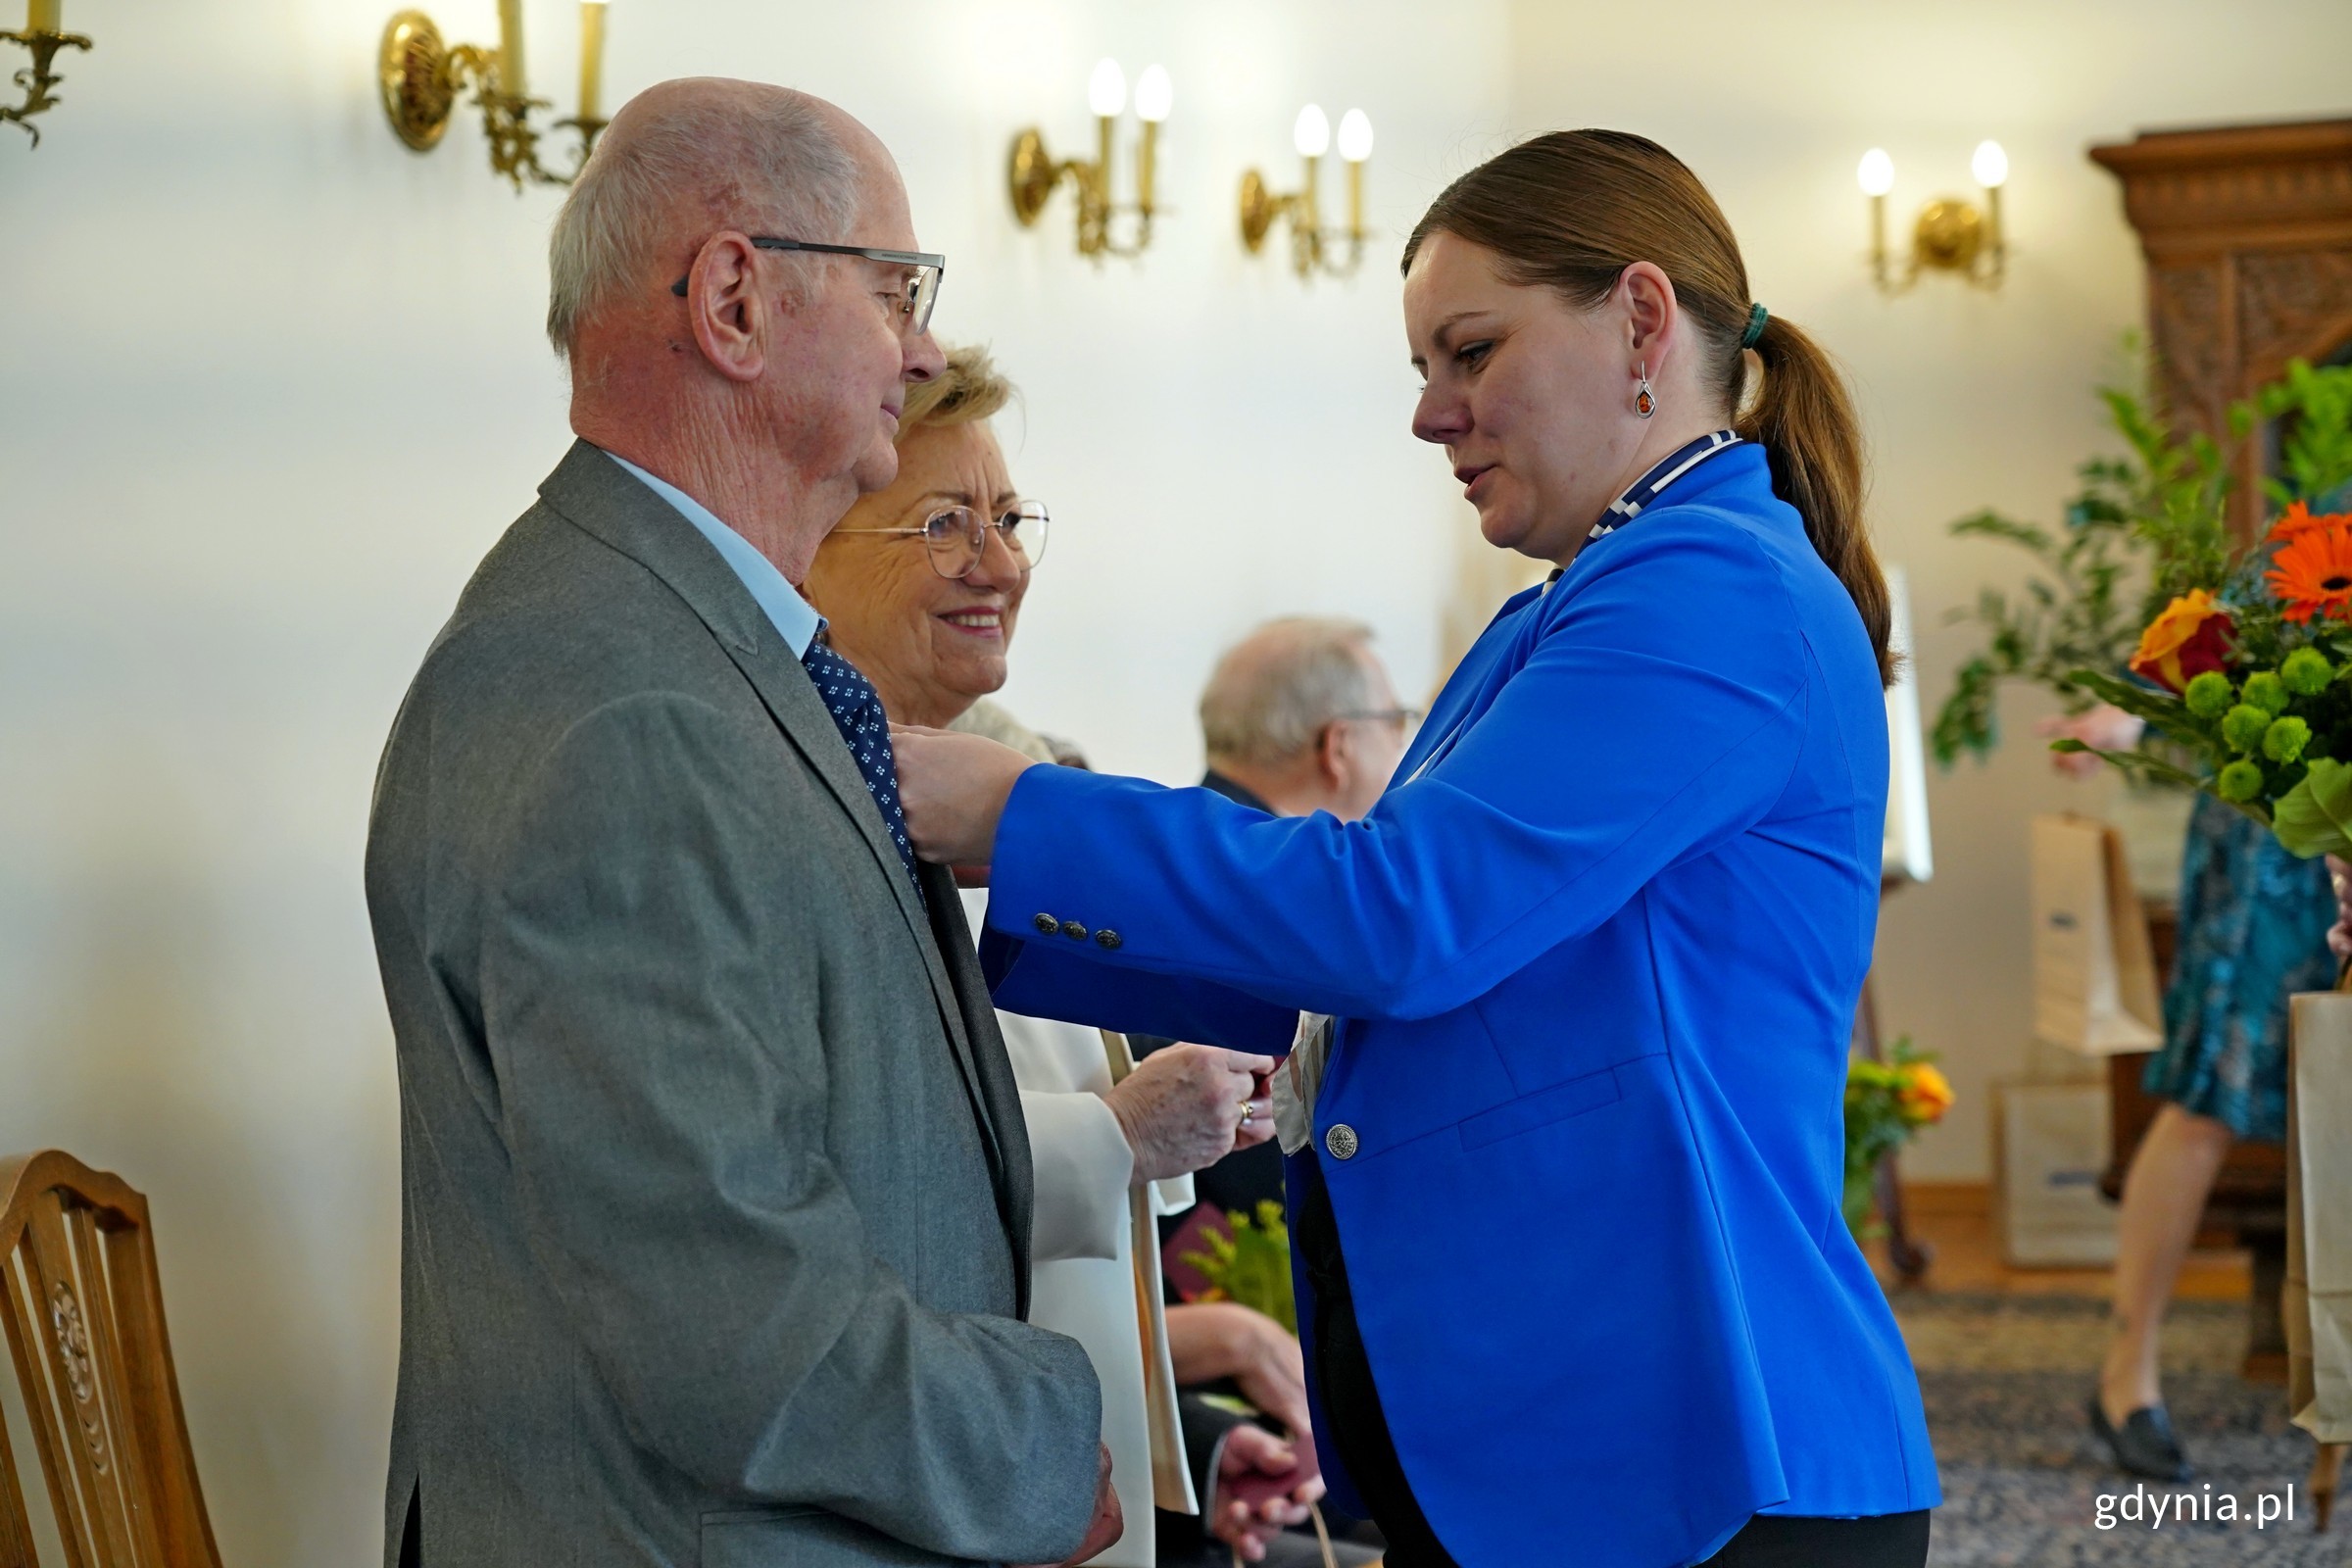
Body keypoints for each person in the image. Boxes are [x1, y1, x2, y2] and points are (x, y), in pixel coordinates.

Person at [894, 129, 1939, 1568]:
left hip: (1686, 1426)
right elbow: (1356, 969)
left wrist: (1015, 812)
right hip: (1573, 1428)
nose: (1432, 416)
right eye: (1423, 368)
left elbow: (1401, 921)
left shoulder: (1711, 591)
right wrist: (993, 885)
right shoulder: (1564, 607)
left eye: (1470, 351)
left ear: (1642, 320)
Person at [364, 82, 1115, 1568]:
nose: (926, 348)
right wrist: (1036, 1445)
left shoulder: (686, 644)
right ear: (733, 301)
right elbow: (718, 1301)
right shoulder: (619, 703)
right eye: (898, 288)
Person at [804, 346, 1337, 1566]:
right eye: (943, 523)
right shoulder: (787, 809)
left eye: (1006, 517)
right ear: (809, 546)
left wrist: (1186, 1453)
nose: (999, 563)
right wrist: (1118, 1133)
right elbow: (824, 1179)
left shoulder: (1026, 783)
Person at [2043, 705, 2336, 1481]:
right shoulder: (2263, 579)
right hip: (2268, 841)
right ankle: (2126, 1376)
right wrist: (2128, 721)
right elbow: (2199, 652)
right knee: (2207, 1094)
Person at [1160, 618, 1417, 1229]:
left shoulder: (1177, 866)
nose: (1406, 749)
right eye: (1398, 722)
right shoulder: (1299, 910)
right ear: (1339, 746)